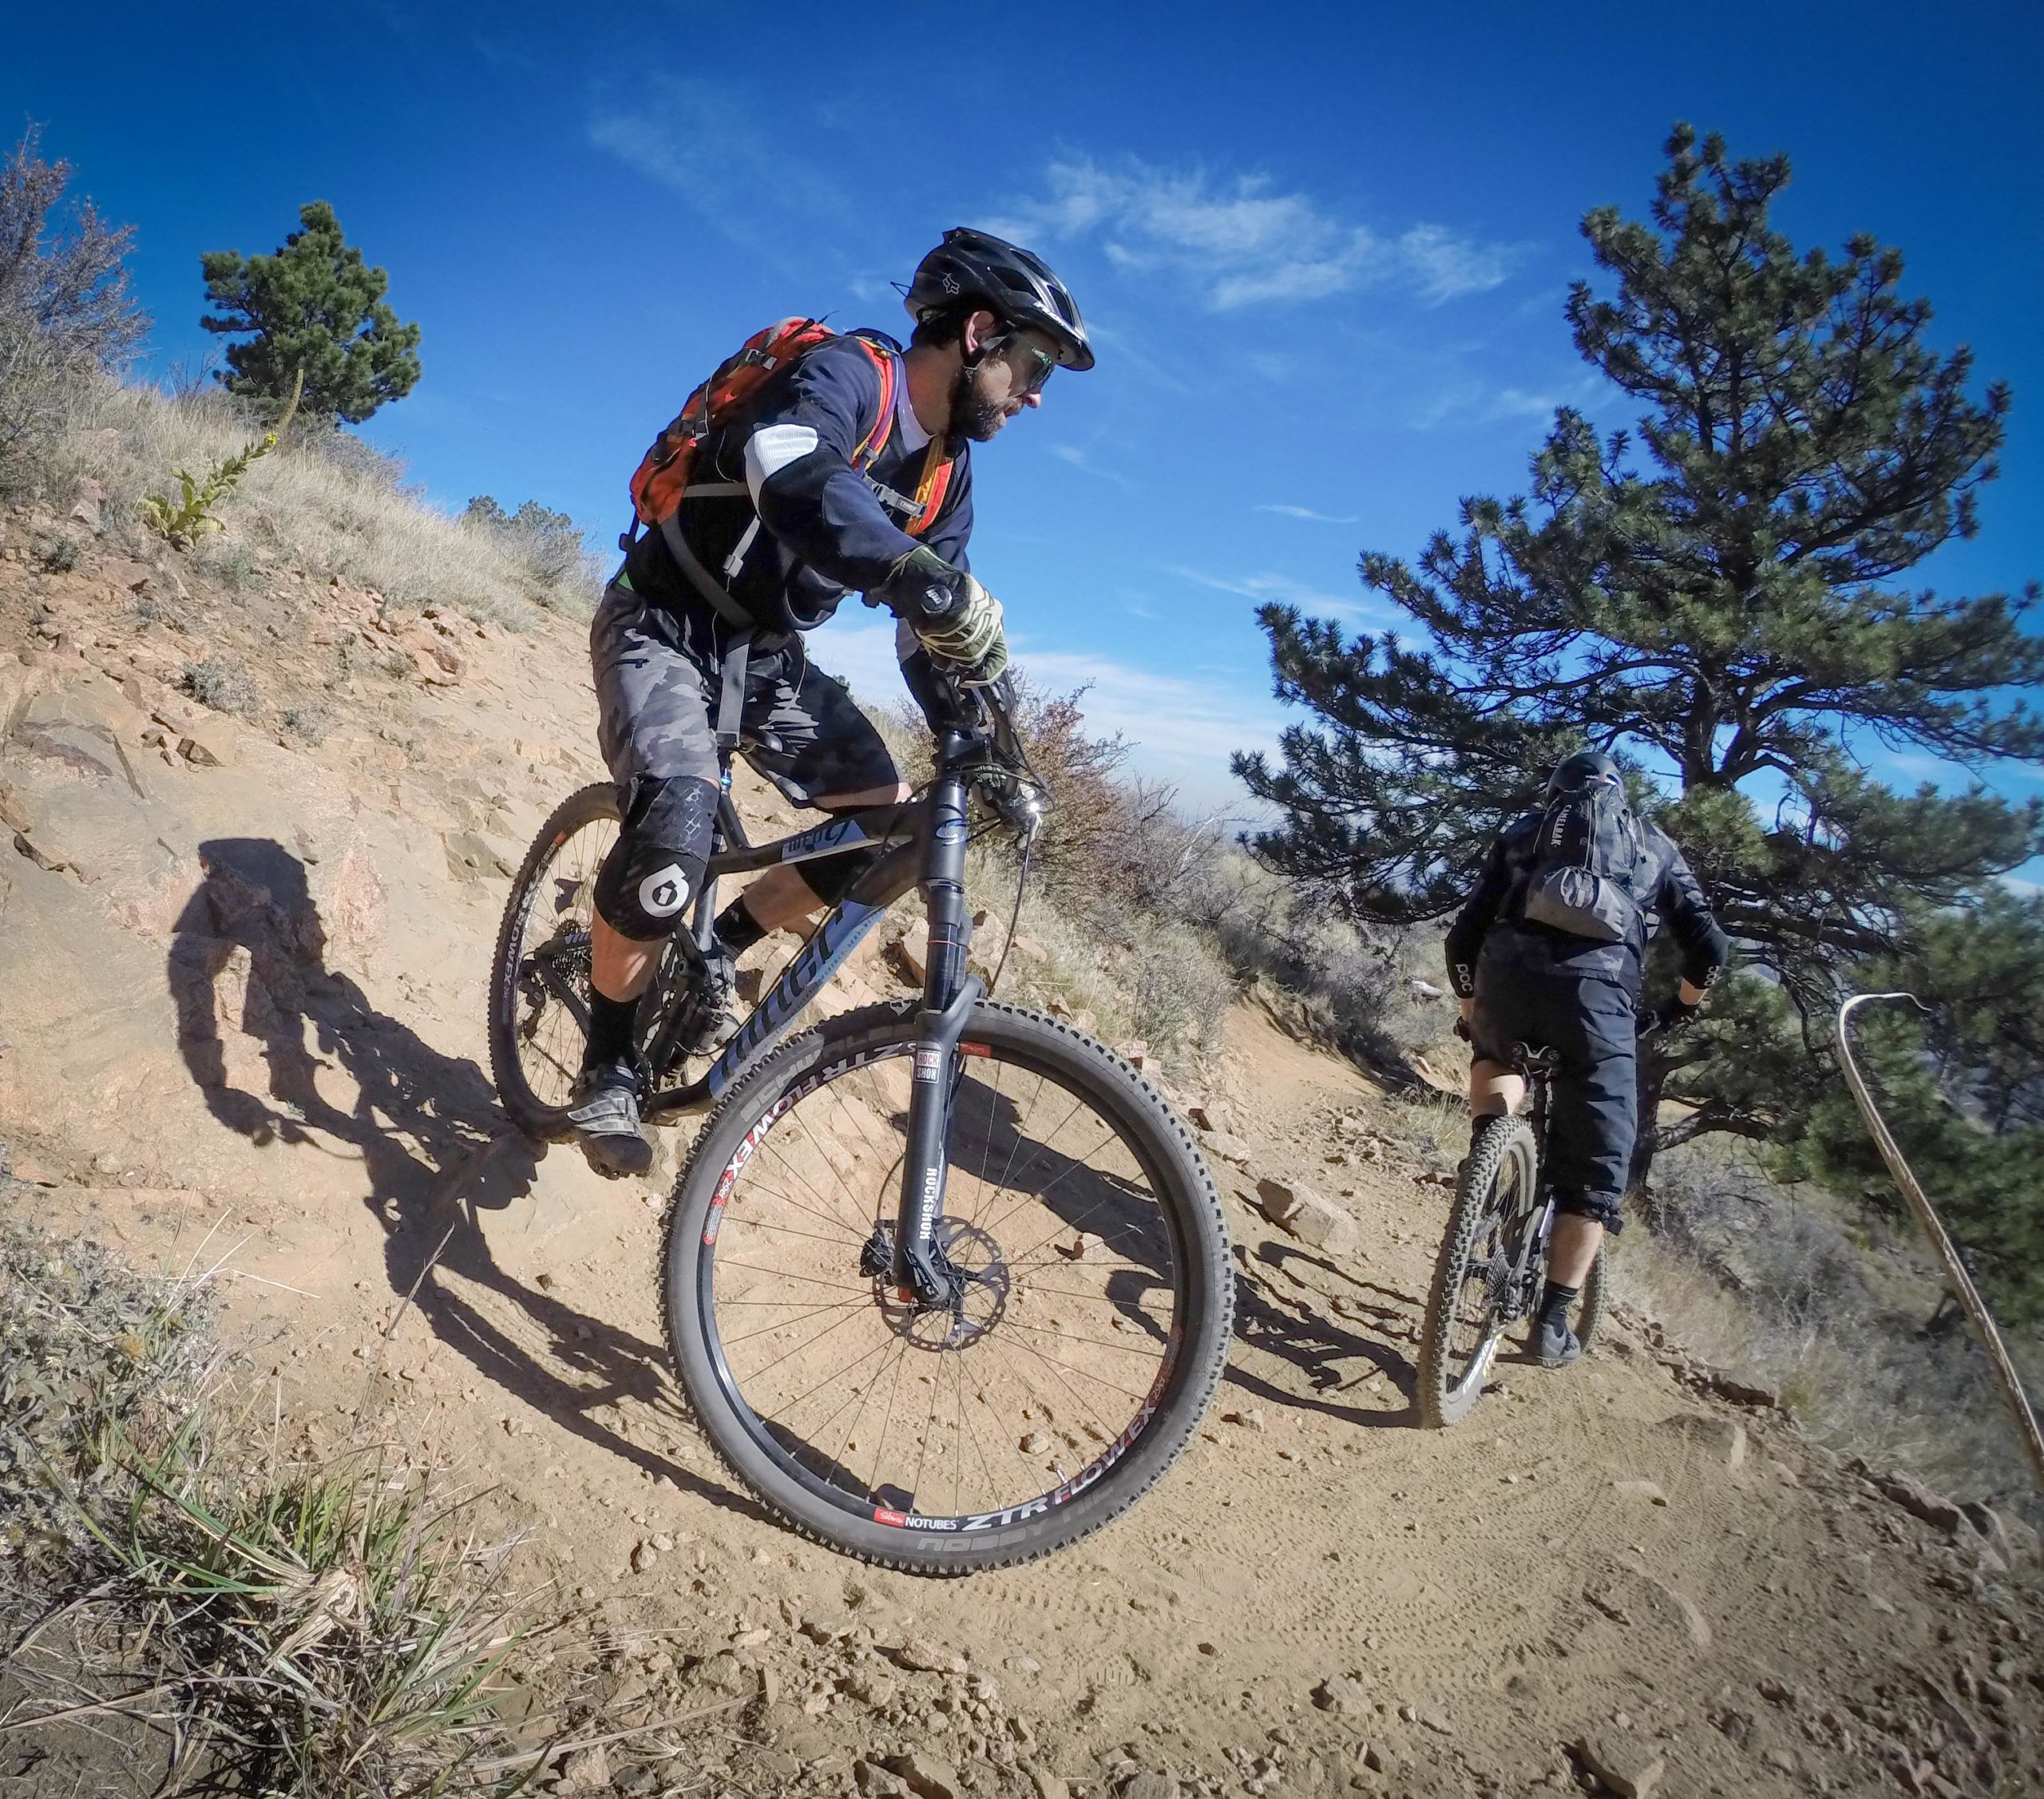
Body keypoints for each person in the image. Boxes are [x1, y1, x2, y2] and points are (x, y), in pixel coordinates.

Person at [570, 228, 1093, 1177]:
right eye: (1034, 361)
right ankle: (604, 1060)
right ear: (979, 332)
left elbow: (932, 631)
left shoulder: (945, 475)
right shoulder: (855, 377)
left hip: (765, 656)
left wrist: (984, 739)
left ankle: (717, 952)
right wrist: (914, 575)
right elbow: (790, 469)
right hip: (665, 617)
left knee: (878, 822)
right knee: (672, 842)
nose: (1037, 392)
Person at [1443, 751, 1730, 1365]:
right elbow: (1710, 948)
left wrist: (1474, 1011)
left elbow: (1462, 937)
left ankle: (1487, 1162)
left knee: (1496, 1056)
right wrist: (1681, 1008)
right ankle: (1550, 1322)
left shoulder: (1523, 834)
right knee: (1595, 1177)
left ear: (1555, 796)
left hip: (1508, 983)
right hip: (1597, 1009)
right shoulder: (1654, 846)